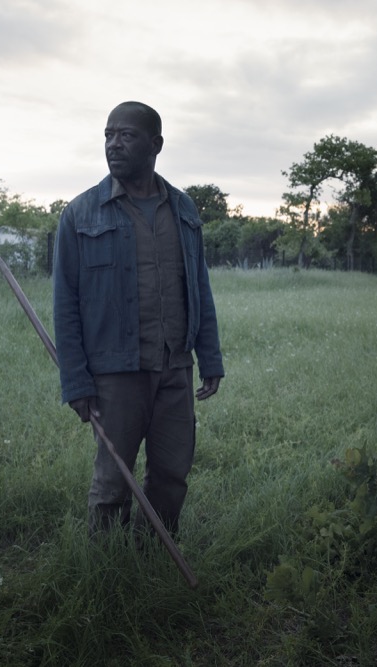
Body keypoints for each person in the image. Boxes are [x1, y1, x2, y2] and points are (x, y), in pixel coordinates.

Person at [53, 100, 224, 537]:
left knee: (172, 474)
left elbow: (198, 287)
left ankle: (153, 554)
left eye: (125, 135)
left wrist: (210, 358)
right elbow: (65, 304)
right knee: (113, 483)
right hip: (115, 374)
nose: (113, 145)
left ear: (156, 144)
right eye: (108, 135)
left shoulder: (183, 209)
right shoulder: (81, 214)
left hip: (174, 368)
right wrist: (76, 382)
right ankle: (108, 568)